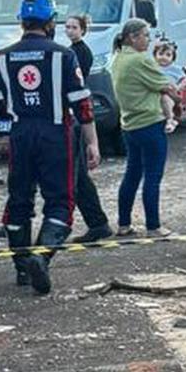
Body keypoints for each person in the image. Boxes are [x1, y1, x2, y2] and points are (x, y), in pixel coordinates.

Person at [0, 0, 100, 296]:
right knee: (60, 201)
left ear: (22, 22)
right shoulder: (64, 55)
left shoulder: (3, 57)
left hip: (20, 135)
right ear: (51, 23)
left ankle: (22, 266)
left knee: (19, 200)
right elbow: (82, 104)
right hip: (57, 134)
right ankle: (42, 255)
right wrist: (92, 143)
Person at [110, 18, 179, 237]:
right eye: (146, 35)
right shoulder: (141, 60)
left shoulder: (118, 58)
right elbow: (167, 86)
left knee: (132, 173)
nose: (149, 40)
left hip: (129, 125)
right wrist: (177, 99)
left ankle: (124, 223)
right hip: (149, 123)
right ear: (133, 37)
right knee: (152, 176)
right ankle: (153, 225)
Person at [64, 13, 112, 244]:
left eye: (74, 27)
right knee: (80, 176)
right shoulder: (71, 51)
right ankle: (97, 222)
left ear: (83, 30)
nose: (70, 30)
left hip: (74, 115)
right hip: (74, 115)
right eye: (68, 27)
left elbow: (76, 85)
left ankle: (96, 223)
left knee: (78, 177)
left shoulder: (78, 53)